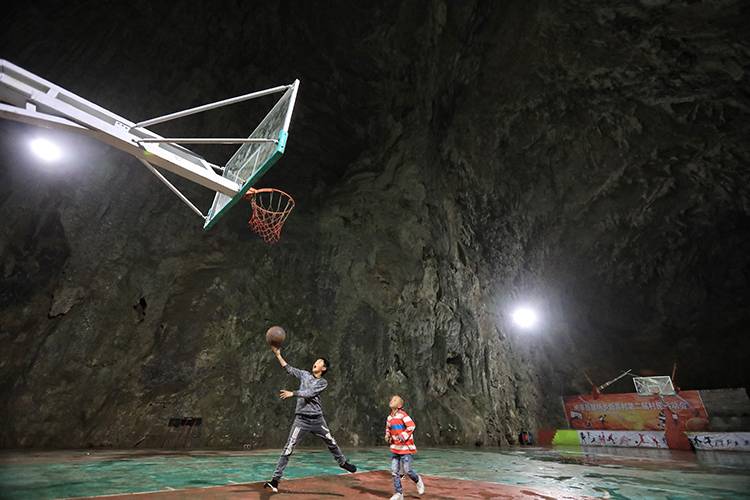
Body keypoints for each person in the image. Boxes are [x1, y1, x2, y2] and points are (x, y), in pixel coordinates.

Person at [264, 346, 357, 492]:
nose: (316, 362)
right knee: (288, 448)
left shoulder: (322, 383)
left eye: (319, 362)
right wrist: (278, 355)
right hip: (301, 420)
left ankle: (343, 463)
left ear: (323, 368)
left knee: (331, 442)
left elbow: (309, 393)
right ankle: (275, 480)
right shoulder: (304, 374)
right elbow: (288, 368)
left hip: (317, 420)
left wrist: (292, 393)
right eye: (316, 360)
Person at [385, 395, 425, 500]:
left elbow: (411, 426)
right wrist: (387, 436)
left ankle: (417, 480)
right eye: (391, 399)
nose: (391, 401)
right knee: (394, 471)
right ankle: (399, 493)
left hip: (405, 448)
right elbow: (388, 429)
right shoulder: (389, 418)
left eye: (394, 400)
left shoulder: (403, 415)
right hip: (395, 448)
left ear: (399, 405)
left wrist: (403, 436)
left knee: (407, 470)